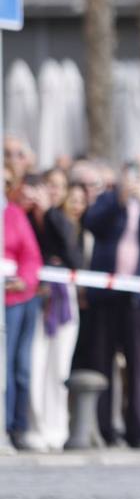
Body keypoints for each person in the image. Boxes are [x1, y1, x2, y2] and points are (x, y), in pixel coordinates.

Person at [75, 163, 140, 447]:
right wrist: (119, 202)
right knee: (101, 362)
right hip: (106, 296)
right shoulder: (108, 201)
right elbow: (91, 223)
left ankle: (136, 430)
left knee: (139, 366)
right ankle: (102, 430)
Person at [27, 170, 85, 451]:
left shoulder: (62, 220)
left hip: (61, 300)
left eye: (59, 187)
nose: (53, 191)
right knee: (36, 363)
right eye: (49, 185)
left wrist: (50, 214)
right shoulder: (29, 217)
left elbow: (74, 259)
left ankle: (56, 427)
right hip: (35, 298)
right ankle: (35, 425)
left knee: (59, 365)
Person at [4, 166, 43, 449]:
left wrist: (24, 281)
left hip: (14, 300)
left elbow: (31, 256)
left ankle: (16, 426)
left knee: (18, 365)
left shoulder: (13, 215)